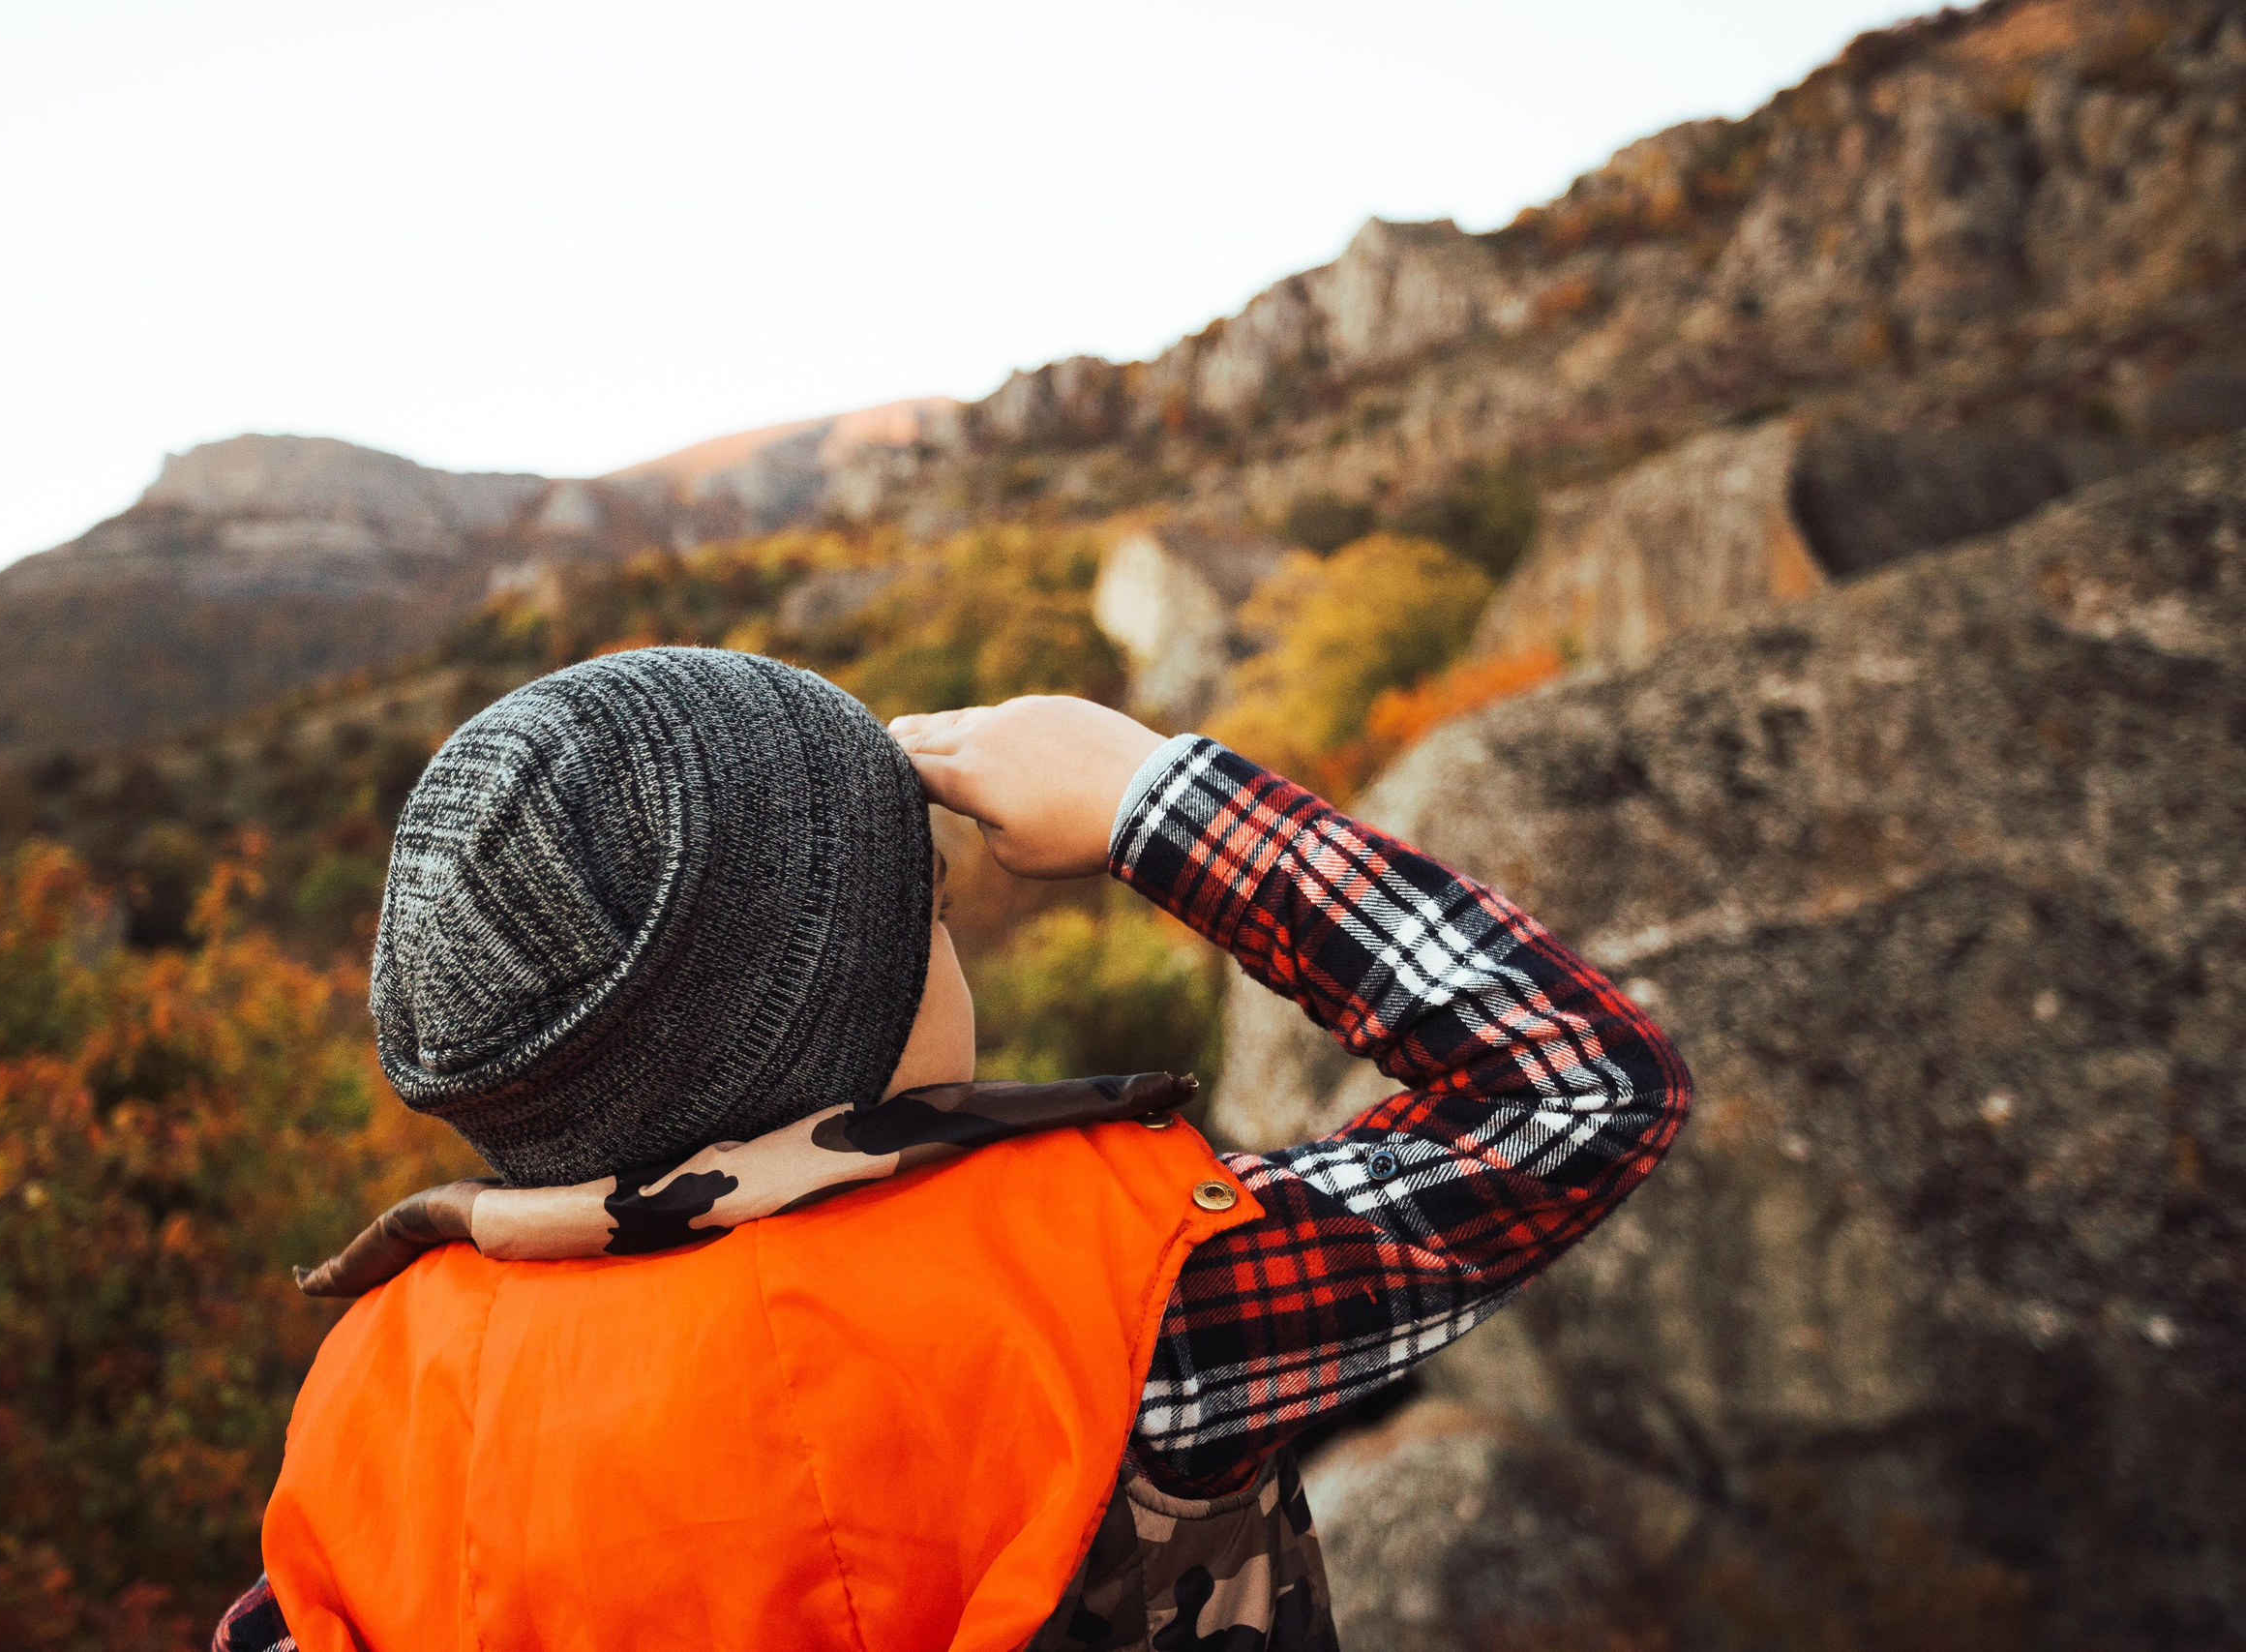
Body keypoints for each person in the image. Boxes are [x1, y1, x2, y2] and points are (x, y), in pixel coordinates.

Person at [213, 647, 1690, 1652]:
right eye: (923, 903)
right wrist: (1154, 801)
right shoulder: (1121, 1314)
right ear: (852, 1005)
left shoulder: (373, 1411)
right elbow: (1579, 1087)